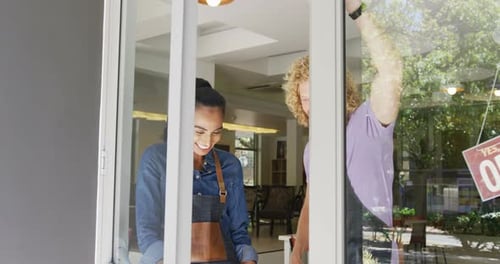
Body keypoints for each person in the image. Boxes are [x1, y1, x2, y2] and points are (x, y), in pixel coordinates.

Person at [283, 0, 403, 263]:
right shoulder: (311, 149)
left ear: (341, 90)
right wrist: (298, 249)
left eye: (320, 95)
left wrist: (357, 11)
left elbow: (391, 70)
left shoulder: (368, 122)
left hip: (375, 253)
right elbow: (311, 202)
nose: (313, 106)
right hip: (332, 252)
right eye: (306, 99)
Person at [135, 78, 258, 264]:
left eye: (216, 132)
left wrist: (249, 260)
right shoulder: (157, 160)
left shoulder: (230, 165)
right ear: (180, 121)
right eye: (199, 131)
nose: (208, 142)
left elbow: (239, 234)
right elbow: (147, 233)